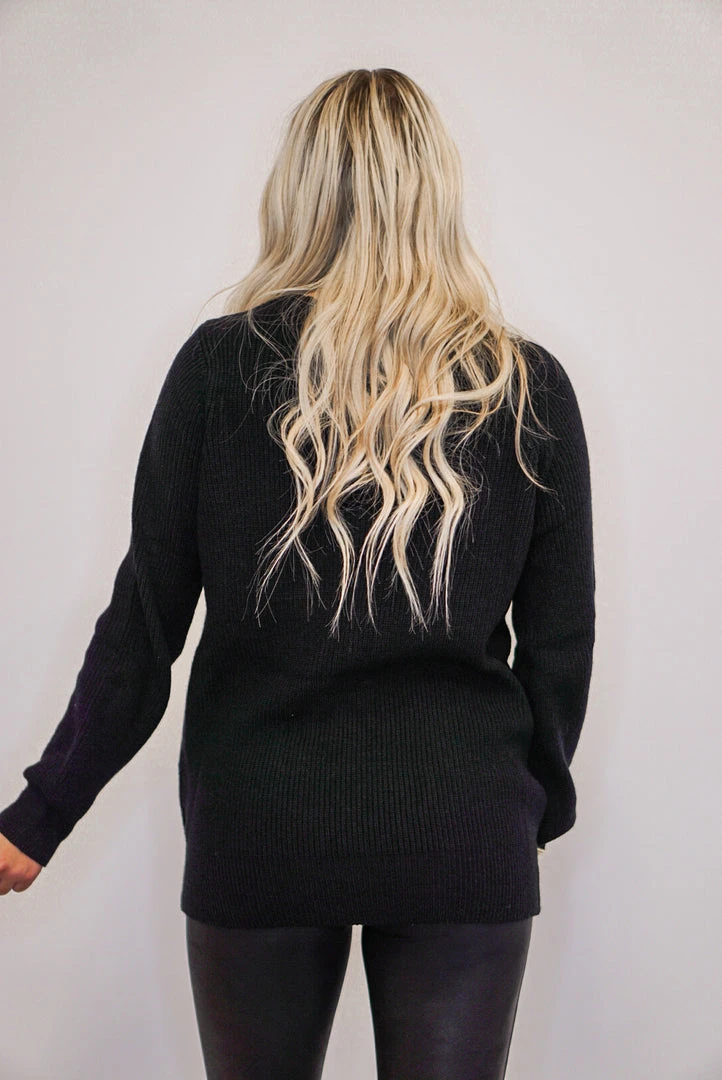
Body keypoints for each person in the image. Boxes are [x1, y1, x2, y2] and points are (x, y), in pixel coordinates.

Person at [0, 68, 596, 1079]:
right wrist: (521, 805)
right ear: (437, 193)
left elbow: (144, 623)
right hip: (461, 829)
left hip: (260, 827)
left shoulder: (218, 369)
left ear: (297, 190)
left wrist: (42, 815)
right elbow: (560, 644)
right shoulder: (523, 385)